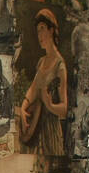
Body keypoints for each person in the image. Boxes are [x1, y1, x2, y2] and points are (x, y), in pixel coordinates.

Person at [19, 9, 67, 157]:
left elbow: (64, 108)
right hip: (36, 126)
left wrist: (50, 105)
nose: (39, 35)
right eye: (37, 31)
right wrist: (23, 107)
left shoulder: (60, 66)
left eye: (42, 29)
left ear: (51, 30)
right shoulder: (41, 62)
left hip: (50, 132)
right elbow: (33, 88)